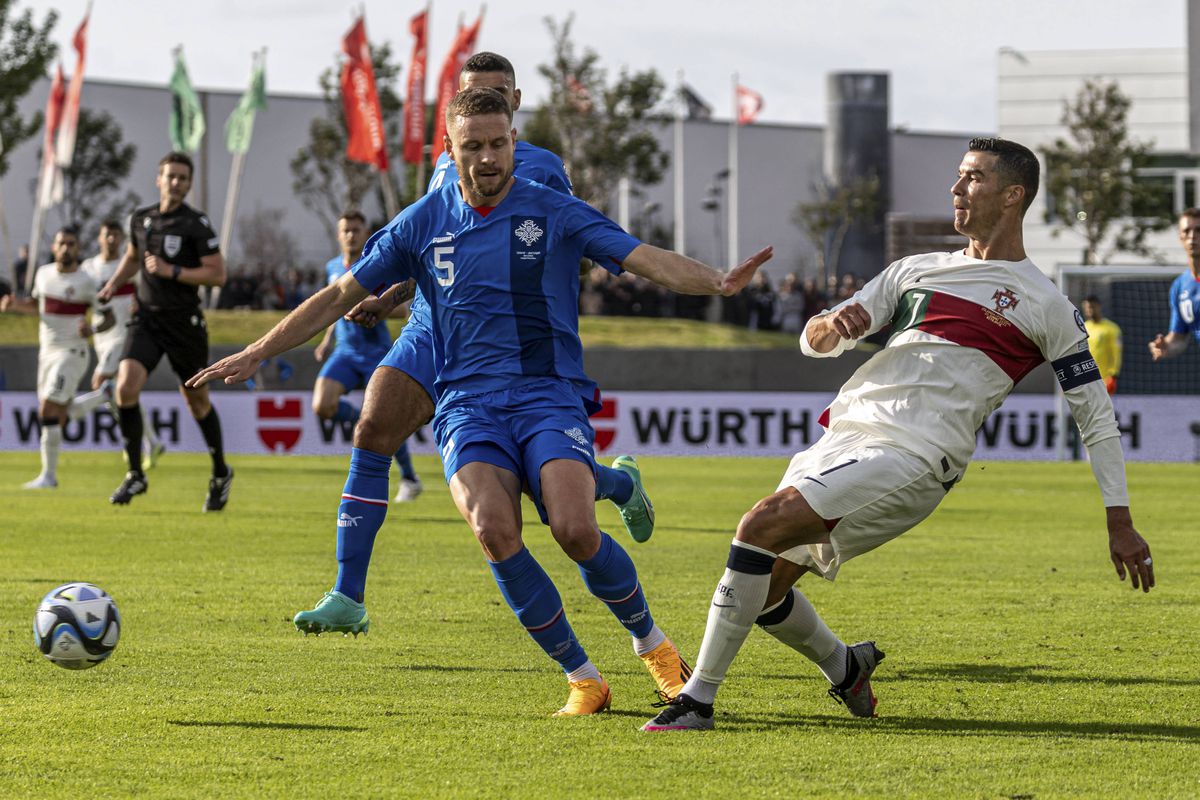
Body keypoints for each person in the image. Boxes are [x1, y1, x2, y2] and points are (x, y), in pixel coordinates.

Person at [189, 86, 773, 716]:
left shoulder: (551, 209)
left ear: (513, 141)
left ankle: (653, 646)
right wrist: (256, 349)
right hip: (466, 403)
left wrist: (716, 280)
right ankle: (583, 678)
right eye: (474, 146)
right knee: (495, 532)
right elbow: (336, 297)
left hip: (547, 395)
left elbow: (640, 256)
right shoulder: (420, 221)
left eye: (500, 143)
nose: (489, 157)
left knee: (575, 529)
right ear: (451, 148)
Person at [644, 137, 1155, 732]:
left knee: (760, 523)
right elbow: (815, 341)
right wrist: (831, 326)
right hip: (845, 436)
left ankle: (696, 700)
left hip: (916, 455)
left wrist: (1119, 519)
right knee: (768, 588)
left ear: (1013, 195)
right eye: (959, 177)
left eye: (972, 178)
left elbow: (1095, 416)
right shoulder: (916, 270)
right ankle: (847, 668)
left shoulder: (1045, 304)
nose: (956, 189)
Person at [286, 51, 657, 637]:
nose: (489, 98)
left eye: (499, 90)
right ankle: (347, 594)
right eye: (475, 90)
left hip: (506, 340)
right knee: (372, 428)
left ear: (515, 102)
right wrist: (392, 295)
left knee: (544, 492)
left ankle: (613, 483)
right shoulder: (443, 165)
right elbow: (439, 243)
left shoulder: (540, 167)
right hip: (432, 328)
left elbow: (555, 244)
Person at [97, 151, 233, 511]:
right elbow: (132, 257)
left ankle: (220, 473)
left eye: (182, 178)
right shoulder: (141, 219)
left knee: (196, 400)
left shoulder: (196, 225)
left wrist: (174, 272)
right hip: (146, 319)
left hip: (184, 323)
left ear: (188, 184)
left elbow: (218, 274)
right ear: (158, 179)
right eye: (170, 176)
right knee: (125, 388)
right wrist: (113, 284)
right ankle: (134, 473)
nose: (176, 183)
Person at [312, 210, 421, 502]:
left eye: (356, 230)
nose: (350, 235)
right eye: (345, 230)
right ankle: (364, 419)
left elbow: (402, 307)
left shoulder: (379, 265)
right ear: (338, 234)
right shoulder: (332, 267)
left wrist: (378, 304)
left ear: (365, 232)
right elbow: (333, 307)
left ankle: (409, 478)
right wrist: (326, 340)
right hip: (345, 352)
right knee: (322, 405)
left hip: (376, 351)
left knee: (382, 421)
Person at [0, 227, 114, 488]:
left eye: (71, 244)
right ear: (54, 247)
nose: (66, 248)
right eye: (61, 243)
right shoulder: (43, 274)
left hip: (72, 352)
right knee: (56, 415)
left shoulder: (87, 281)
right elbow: (36, 305)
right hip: (47, 353)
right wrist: (14, 305)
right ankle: (105, 396)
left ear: (78, 248)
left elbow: (109, 317)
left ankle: (48, 477)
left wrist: (92, 329)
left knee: (48, 409)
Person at [68, 221, 167, 462]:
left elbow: (149, 292)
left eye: (115, 235)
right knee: (121, 394)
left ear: (122, 239)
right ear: (100, 238)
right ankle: (150, 441)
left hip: (126, 333)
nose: (111, 239)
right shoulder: (89, 268)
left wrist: (141, 305)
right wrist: (85, 325)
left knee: (100, 382)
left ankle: (78, 409)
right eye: (106, 235)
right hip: (102, 336)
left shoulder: (129, 265)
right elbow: (83, 299)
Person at [1148, 207, 1200, 362]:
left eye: (1198, 230)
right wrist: (1165, 347)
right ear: (1180, 237)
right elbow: (1179, 337)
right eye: (1187, 231)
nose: (1192, 236)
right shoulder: (1180, 286)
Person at [1082, 295, 1121, 394]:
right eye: (1086, 308)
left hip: (1104, 380)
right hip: (1085, 380)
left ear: (1098, 306)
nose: (1088, 310)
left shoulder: (1111, 328)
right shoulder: (1083, 328)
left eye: (1091, 307)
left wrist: (1113, 375)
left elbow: (1117, 353)